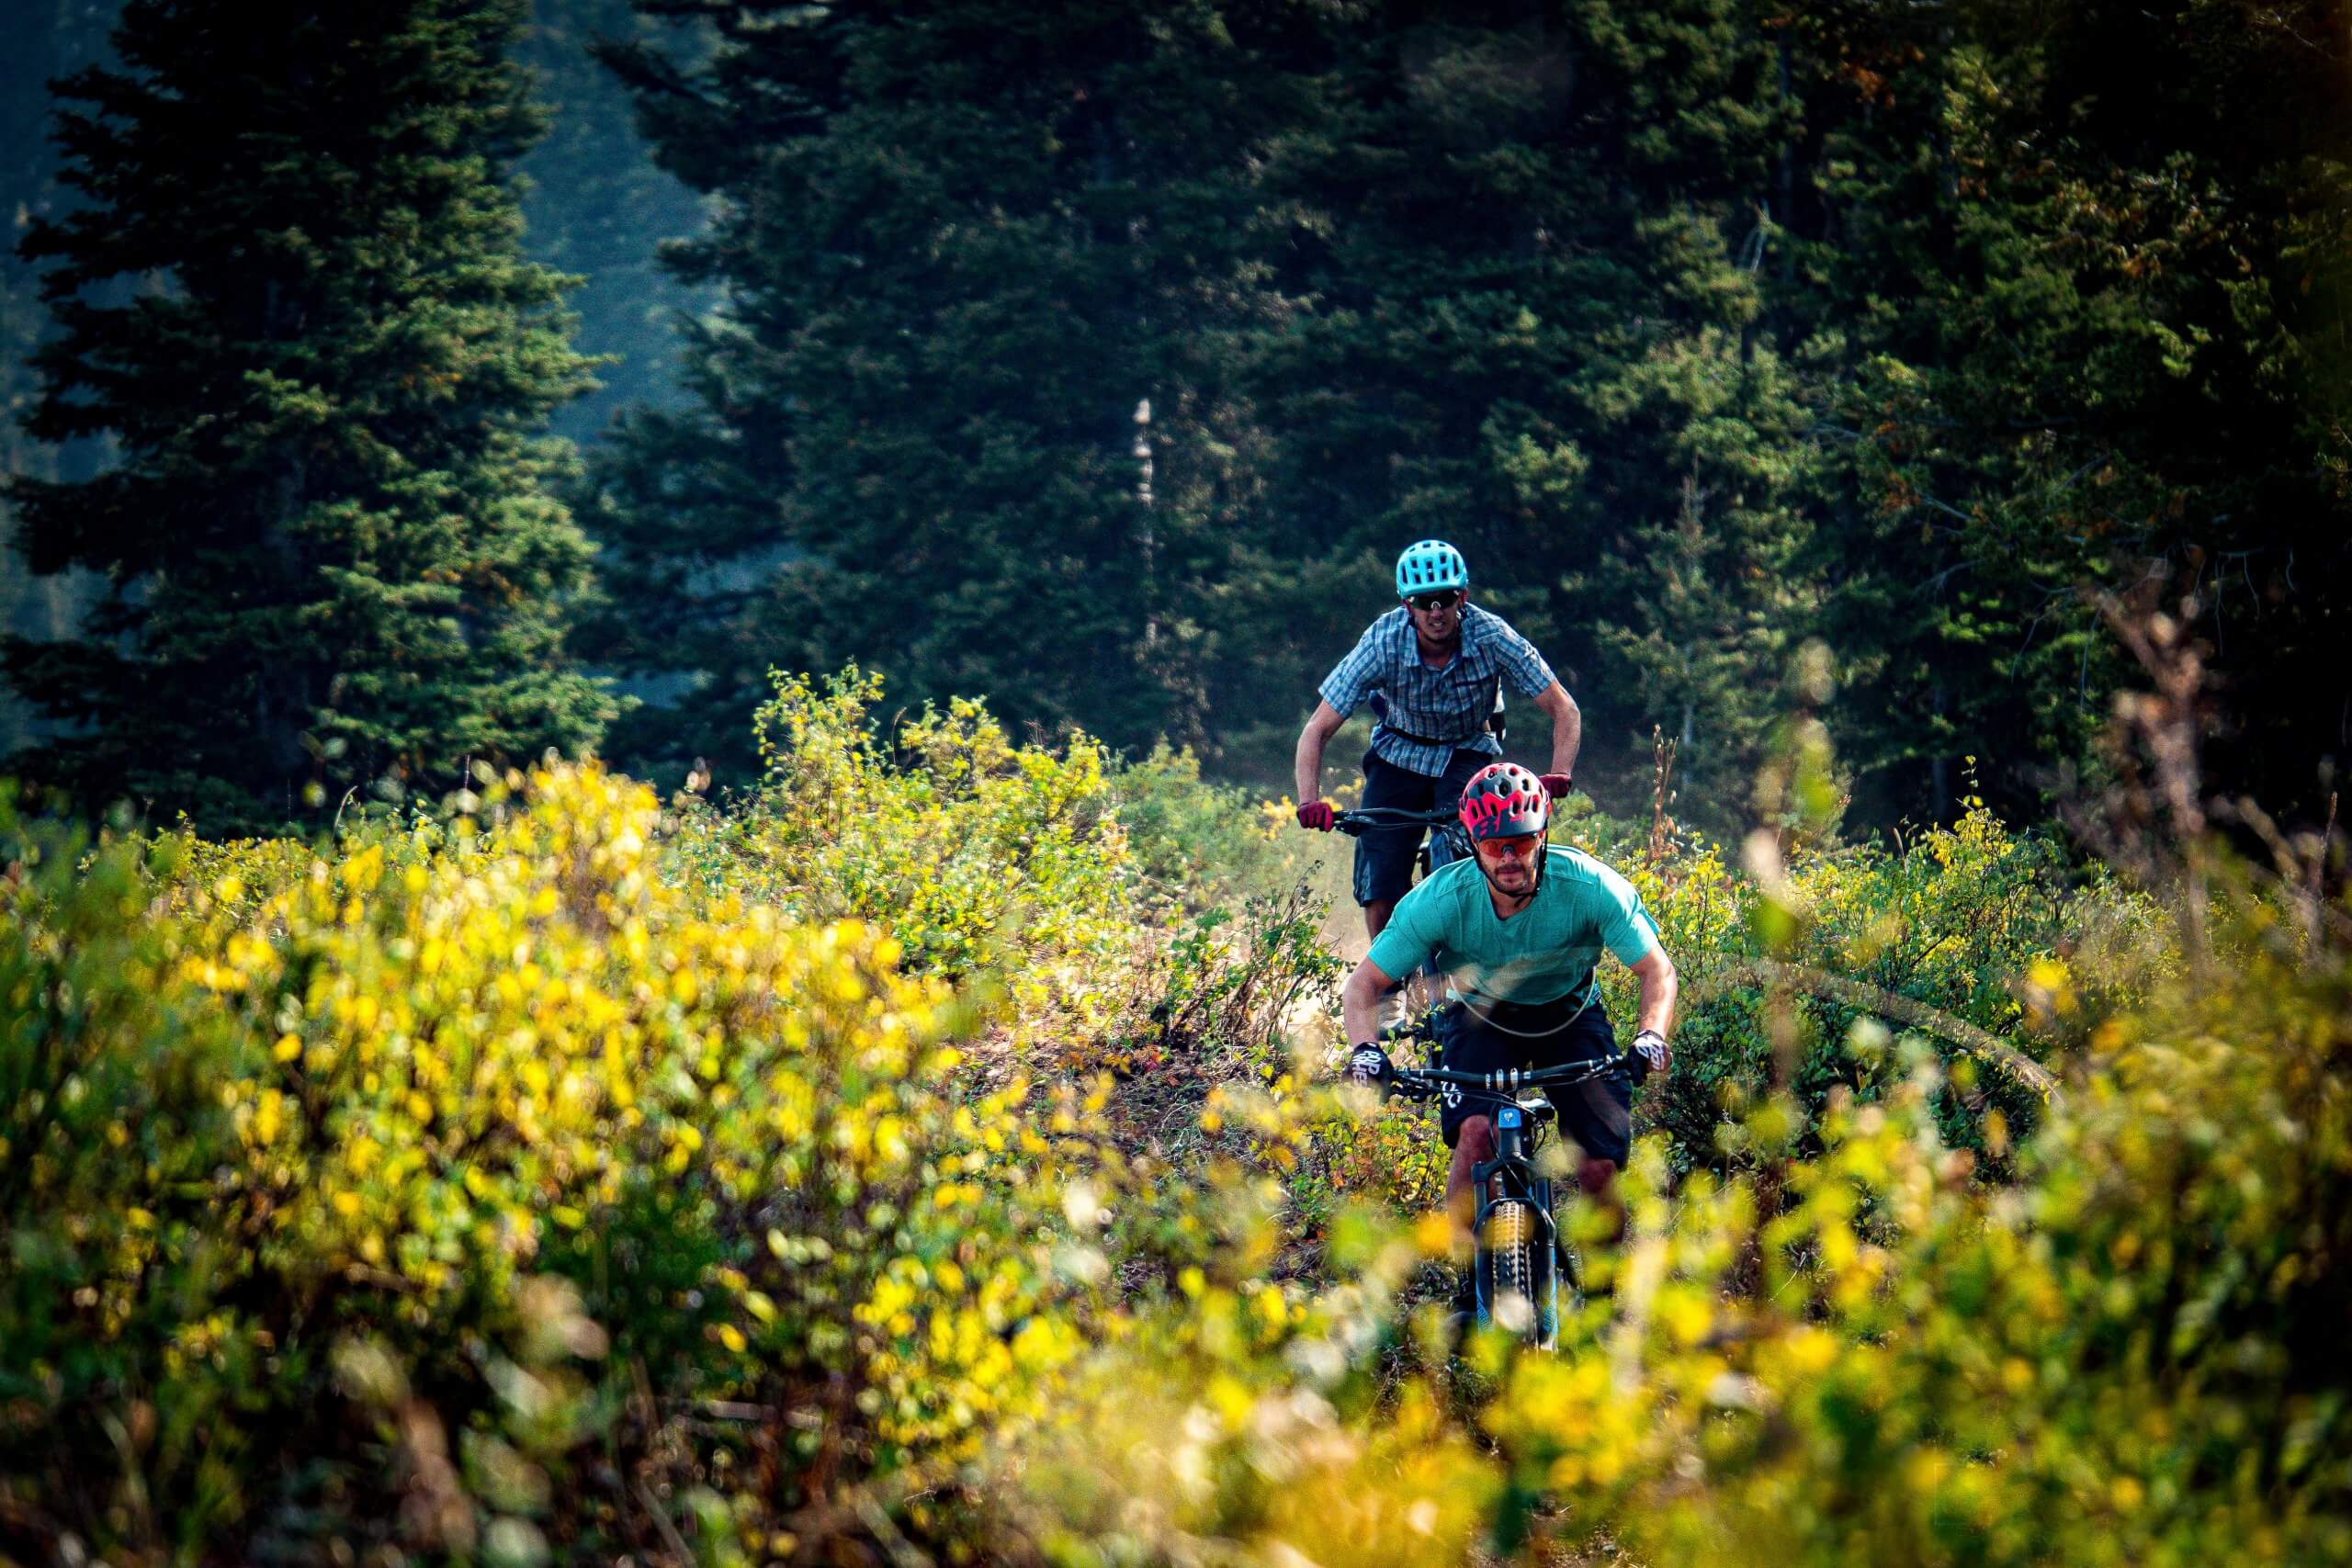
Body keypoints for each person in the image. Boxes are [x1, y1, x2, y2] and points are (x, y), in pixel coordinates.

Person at [1339, 761, 1677, 1291]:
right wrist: (1365, 1050)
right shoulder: (1443, 899)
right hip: (1481, 1018)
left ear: (1541, 836)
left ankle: (1606, 1297)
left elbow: (1655, 970)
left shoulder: (1588, 886)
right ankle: (1466, 1286)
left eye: (1520, 843)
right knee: (1476, 1133)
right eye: (1495, 846)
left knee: (1598, 1170)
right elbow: (1364, 986)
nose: (1509, 858)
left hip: (1568, 1014)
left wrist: (1651, 1035)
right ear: (1474, 843)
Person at [1294, 539, 1582, 942]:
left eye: (1444, 599)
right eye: (1423, 601)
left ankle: (1463, 967)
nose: (1435, 612)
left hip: (1466, 751)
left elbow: (1564, 709)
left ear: (1462, 597)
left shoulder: (1492, 636)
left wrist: (1559, 771)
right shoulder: (1381, 642)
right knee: (1380, 868)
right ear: (1406, 605)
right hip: (1398, 753)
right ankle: (1389, 985)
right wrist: (1310, 799)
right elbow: (1317, 729)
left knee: (1466, 859)